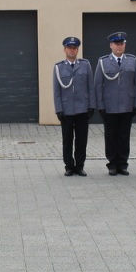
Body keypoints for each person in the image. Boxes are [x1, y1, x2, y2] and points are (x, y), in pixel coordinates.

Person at [93, 31, 136, 176]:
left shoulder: (132, 61)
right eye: (116, 44)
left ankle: (123, 164)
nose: (119, 47)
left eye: (122, 44)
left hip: (127, 105)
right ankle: (112, 164)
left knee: (124, 136)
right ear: (111, 45)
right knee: (110, 136)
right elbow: (98, 85)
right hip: (110, 106)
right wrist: (100, 105)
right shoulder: (103, 62)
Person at [53, 36, 93, 177]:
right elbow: (57, 91)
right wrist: (59, 109)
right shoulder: (58, 67)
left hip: (82, 108)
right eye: (69, 48)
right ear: (65, 49)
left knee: (81, 140)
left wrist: (91, 106)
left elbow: (90, 87)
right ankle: (69, 166)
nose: (72, 50)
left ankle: (80, 166)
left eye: (74, 48)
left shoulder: (85, 65)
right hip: (67, 109)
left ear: (77, 50)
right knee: (67, 140)